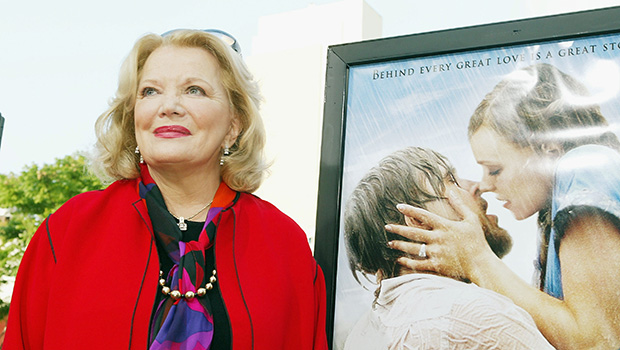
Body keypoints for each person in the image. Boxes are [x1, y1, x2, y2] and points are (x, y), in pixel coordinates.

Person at [4, 29, 327, 350]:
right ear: (133, 117)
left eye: (194, 90)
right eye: (150, 91)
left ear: (234, 124)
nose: (169, 105)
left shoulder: (286, 247)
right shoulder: (66, 232)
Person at [388, 63, 620, 349]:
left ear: (548, 147)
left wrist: (477, 259)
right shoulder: (554, 208)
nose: (484, 185)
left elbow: (599, 342)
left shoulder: (586, 167)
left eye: (495, 170)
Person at [343, 146, 554, 349]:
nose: (477, 186)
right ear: (418, 221)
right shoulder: (472, 315)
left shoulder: (361, 334)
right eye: (451, 180)